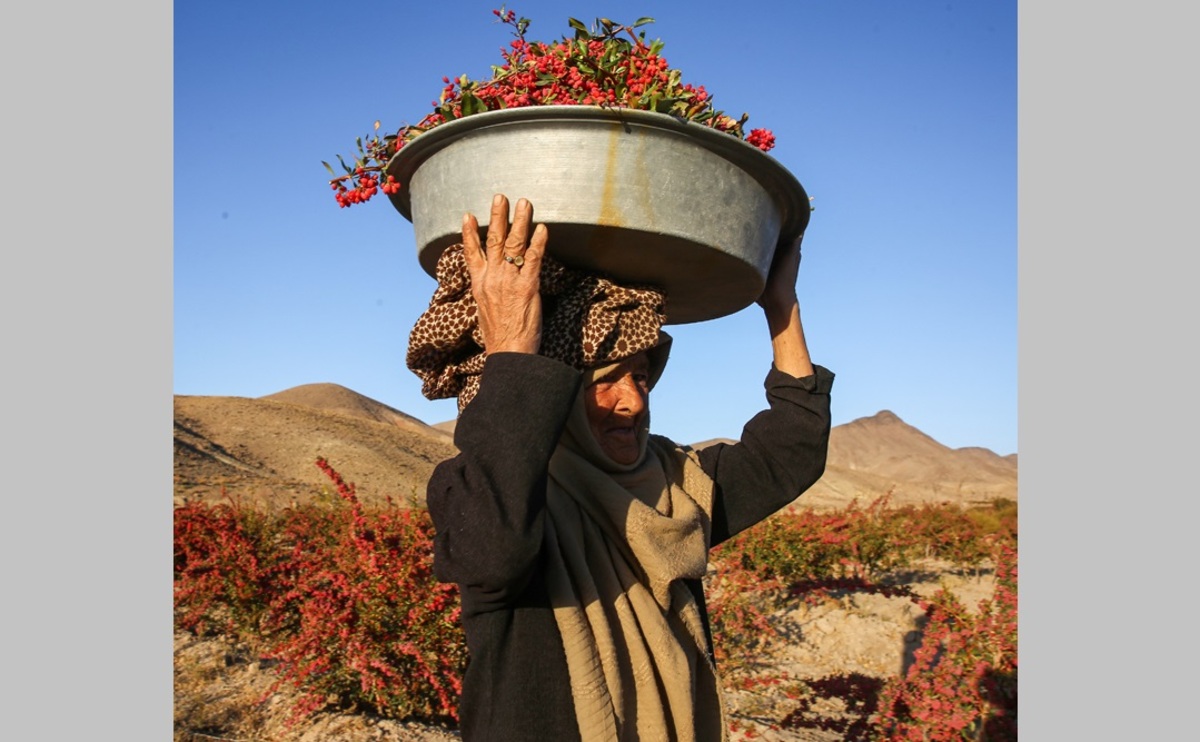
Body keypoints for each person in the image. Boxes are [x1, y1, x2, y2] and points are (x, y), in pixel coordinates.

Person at [421, 194, 834, 741]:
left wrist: (781, 307)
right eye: (603, 381)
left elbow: (793, 448)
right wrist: (513, 346)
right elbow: (494, 553)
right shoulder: (487, 492)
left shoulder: (672, 487)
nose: (633, 402)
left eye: (639, 375)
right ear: (553, 396)